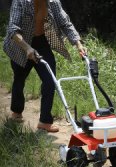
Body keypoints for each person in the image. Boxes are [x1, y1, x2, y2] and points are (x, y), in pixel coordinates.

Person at [3, 0, 87, 132]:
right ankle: (17, 111)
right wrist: (27, 48)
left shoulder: (53, 2)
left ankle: (44, 121)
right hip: (20, 43)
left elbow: (65, 23)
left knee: (50, 80)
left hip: (41, 42)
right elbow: (13, 29)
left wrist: (78, 44)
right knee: (19, 79)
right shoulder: (20, 2)